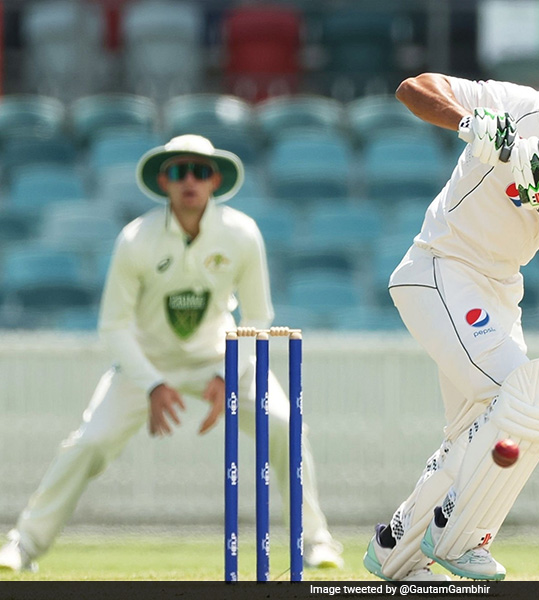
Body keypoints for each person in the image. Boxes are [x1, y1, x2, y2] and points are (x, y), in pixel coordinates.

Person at [362, 28, 539, 581]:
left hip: (498, 291)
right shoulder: (522, 107)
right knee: (523, 398)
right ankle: (460, 535)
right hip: (441, 268)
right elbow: (412, 87)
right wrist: (470, 122)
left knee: (481, 429)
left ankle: (396, 551)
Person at [0, 134, 343, 573]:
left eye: (200, 172)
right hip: (147, 363)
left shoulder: (240, 234)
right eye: (179, 171)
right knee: (90, 442)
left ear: (215, 179)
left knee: (285, 426)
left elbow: (257, 317)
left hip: (222, 360)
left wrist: (226, 373)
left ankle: (315, 541)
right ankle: (23, 544)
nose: (190, 182)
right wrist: (153, 383)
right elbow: (114, 326)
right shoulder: (136, 239)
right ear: (164, 180)